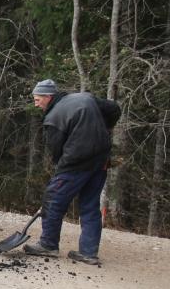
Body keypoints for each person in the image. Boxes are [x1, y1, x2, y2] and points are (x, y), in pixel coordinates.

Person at [24, 78, 120, 266]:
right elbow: (114, 109)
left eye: (37, 99)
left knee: (53, 200)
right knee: (90, 205)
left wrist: (60, 173)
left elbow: (56, 152)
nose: (36, 104)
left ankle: (48, 245)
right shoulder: (85, 98)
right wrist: (105, 128)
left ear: (48, 97)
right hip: (100, 161)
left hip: (76, 163)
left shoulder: (54, 118)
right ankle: (88, 253)